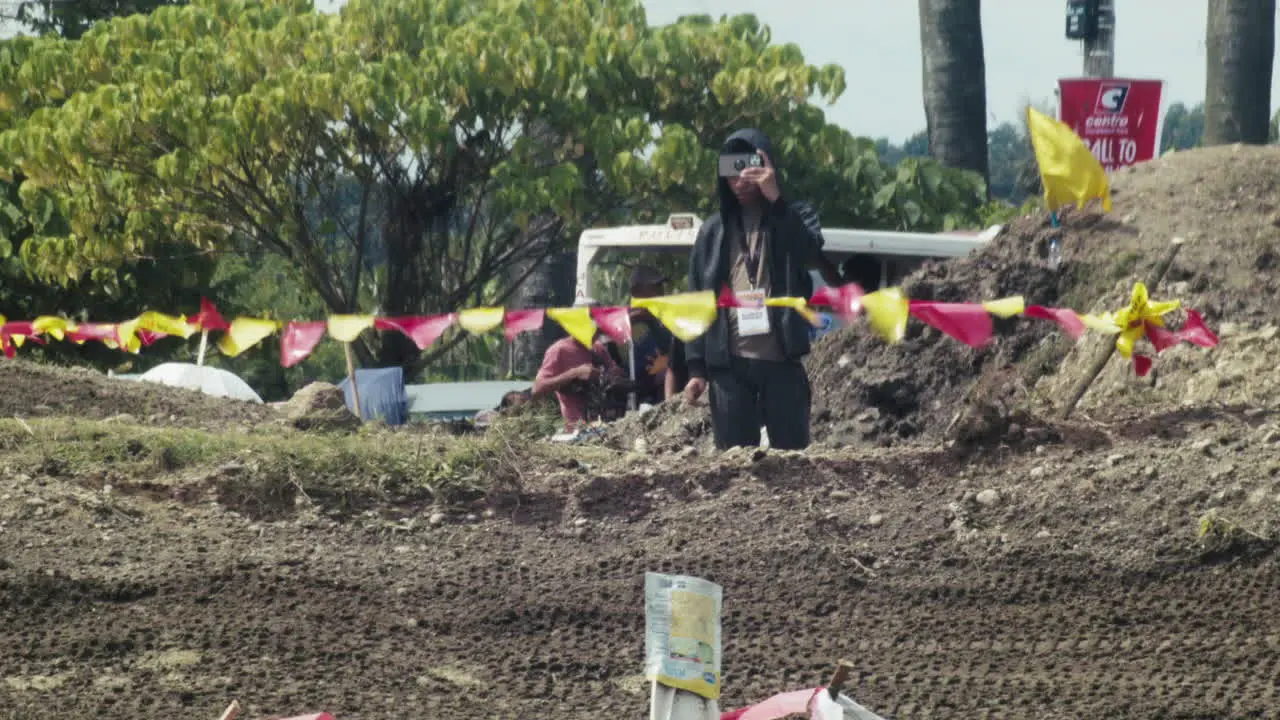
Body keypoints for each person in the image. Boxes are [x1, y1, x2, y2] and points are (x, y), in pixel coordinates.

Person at [683, 128, 825, 450]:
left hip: (782, 358)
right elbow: (696, 297)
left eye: (749, 168)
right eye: (732, 172)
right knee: (734, 461)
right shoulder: (713, 230)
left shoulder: (795, 216)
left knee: (792, 457)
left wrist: (776, 200)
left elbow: (809, 253)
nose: (741, 181)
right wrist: (695, 368)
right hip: (729, 363)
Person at [533, 325, 626, 431]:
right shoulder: (559, 350)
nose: (596, 334)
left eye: (597, 330)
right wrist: (575, 373)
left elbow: (616, 373)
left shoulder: (598, 348)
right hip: (577, 429)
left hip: (605, 424)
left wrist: (614, 374)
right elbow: (538, 389)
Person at [626, 265, 676, 407]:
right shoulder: (623, 319)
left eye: (661, 286)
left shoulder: (661, 318)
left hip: (662, 390)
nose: (661, 292)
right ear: (637, 291)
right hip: (638, 395)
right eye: (655, 286)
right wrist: (635, 318)